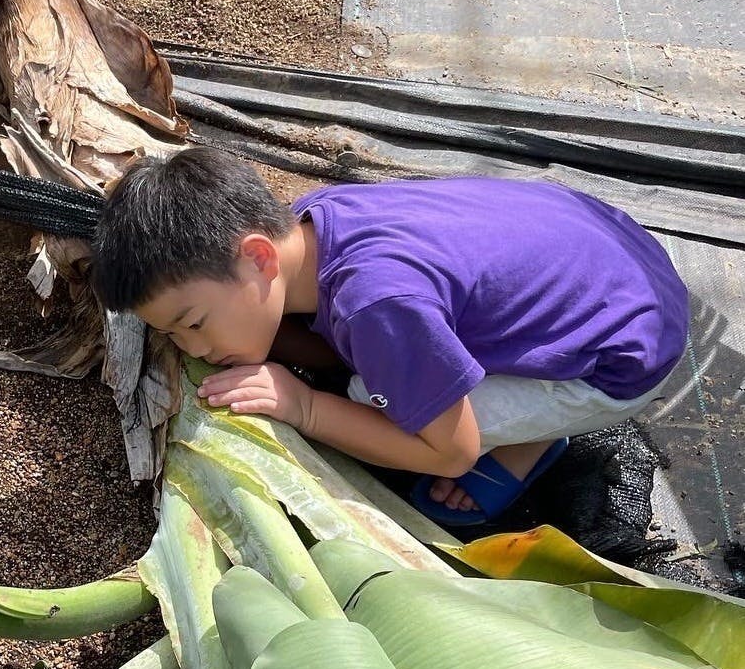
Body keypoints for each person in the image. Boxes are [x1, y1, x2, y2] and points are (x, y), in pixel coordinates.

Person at [90, 147, 689, 526]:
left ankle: (531, 440)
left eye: (193, 323)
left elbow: (449, 453)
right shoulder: (315, 219)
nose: (192, 347)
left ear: (257, 257)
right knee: (380, 365)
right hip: (617, 251)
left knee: (361, 395)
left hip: (625, 354)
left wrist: (304, 406)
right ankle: (518, 413)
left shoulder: (377, 302)